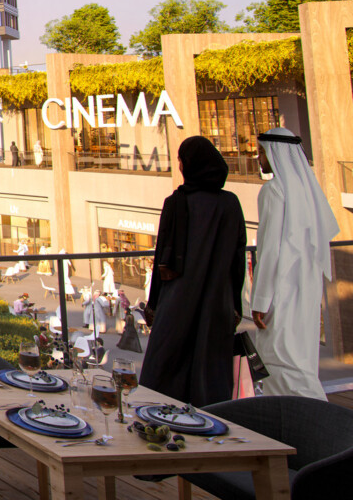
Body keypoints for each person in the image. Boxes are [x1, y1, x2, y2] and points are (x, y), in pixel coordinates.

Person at [138, 135, 246, 407]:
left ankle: (162, 422)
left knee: (165, 368)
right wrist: (235, 304)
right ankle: (210, 427)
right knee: (210, 372)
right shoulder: (230, 203)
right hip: (217, 300)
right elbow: (237, 258)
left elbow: (162, 255)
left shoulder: (176, 202)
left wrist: (153, 305)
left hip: (178, 298)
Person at [253, 127, 338, 399]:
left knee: (282, 362)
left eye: (262, 153)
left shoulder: (274, 191)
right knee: (300, 361)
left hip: (282, 290)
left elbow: (269, 250)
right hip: (308, 288)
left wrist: (259, 302)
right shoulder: (308, 192)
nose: (259, 159)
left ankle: (316, 425)